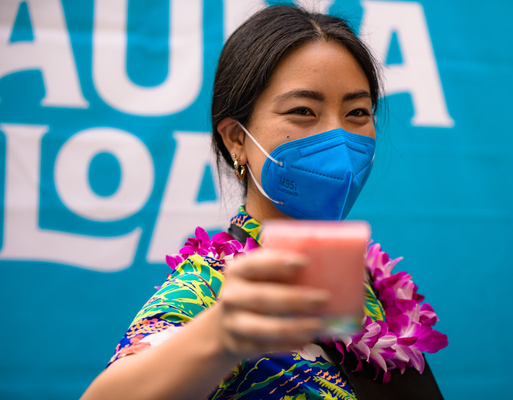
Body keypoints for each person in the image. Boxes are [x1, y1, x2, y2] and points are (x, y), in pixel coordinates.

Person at [82, 5, 447, 400]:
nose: (339, 140)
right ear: (236, 139)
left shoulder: (373, 284)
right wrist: (221, 335)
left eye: (357, 112)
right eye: (303, 111)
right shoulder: (213, 292)